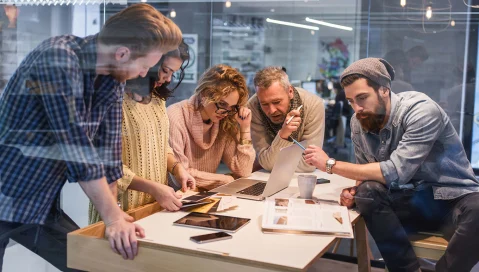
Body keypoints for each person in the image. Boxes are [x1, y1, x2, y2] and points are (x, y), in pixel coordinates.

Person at [0, 3, 182, 270]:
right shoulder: (58, 59)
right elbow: (76, 148)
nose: (145, 74)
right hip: (5, 193)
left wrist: (113, 220)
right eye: (145, 66)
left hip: (38, 201)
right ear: (122, 53)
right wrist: (112, 218)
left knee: (92, 264)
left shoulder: (112, 79)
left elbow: (108, 156)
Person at [303, 58, 479, 272]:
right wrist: (354, 190)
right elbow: (367, 175)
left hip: (453, 199)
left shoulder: (421, 110)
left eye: (362, 98)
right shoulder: (358, 121)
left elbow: (395, 172)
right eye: (350, 101)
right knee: (367, 192)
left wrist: (330, 164)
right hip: (411, 200)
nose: (356, 108)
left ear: (384, 90)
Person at [89, 41, 195, 225]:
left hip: (154, 205)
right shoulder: (111, 99)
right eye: (165, 70)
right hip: (118, 209)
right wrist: (152, 188)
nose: (168, 78)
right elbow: (103, 164)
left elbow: (161, 145)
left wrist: (177, 169)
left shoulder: (156, 99)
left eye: (172, 73)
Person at [167, 64, 255, 190]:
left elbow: (244, 170)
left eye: (231, 107)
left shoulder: (224, 120)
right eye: (222, 104)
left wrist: (245, 129)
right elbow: (181, 175)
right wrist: (226, 180)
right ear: (204, 95)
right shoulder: (176, 117)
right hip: (178, 197)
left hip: (206, 194)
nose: (225, 112)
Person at [247, 66, 325, 172]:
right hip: (267, 178)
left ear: (290, 92)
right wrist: (283, 135)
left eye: (276, 102)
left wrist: (273, 162)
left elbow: (309, 164)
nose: (272, 110)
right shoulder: (253, 106)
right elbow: (265, 163)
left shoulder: (313, 105)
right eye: (264, 104)